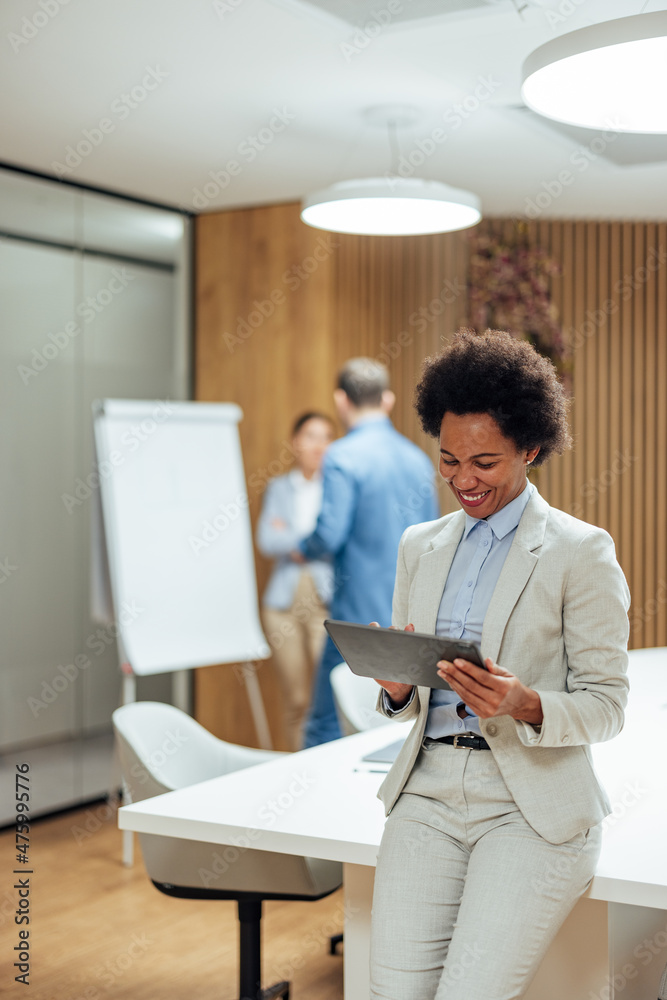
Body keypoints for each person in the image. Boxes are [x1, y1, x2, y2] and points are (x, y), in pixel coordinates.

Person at [370, 329, 630, 1000]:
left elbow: (606, 705)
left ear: (530, 448)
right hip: (425, 794)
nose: (463, 480)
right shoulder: (418, 546)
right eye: (448, 460)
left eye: (484, 462)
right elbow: (410, 695)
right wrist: (397, 691)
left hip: (529, 805)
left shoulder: (581, 551)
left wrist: (526, 703)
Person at [298, 358, 440, 748]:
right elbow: (435, 541)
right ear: (389, 401)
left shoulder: (342, 456)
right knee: (397, 727)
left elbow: (328, 536)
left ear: (341, 401)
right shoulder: (419, 459)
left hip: (356, 619)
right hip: (407, 619)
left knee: (326, 724)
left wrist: (300, 547)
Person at [256, 412, 335, 751]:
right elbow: (266, 541)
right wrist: (309, 542)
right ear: (295, 442)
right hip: (282, 606)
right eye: (311, 436)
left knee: (325, 698)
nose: (319, 445)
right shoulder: (279, 488)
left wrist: (293, 539)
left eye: (326, 437)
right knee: (297, 698)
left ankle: (322, 773)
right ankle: (293, 772)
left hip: (324, 602)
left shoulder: (336, 486)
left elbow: (336, 541)